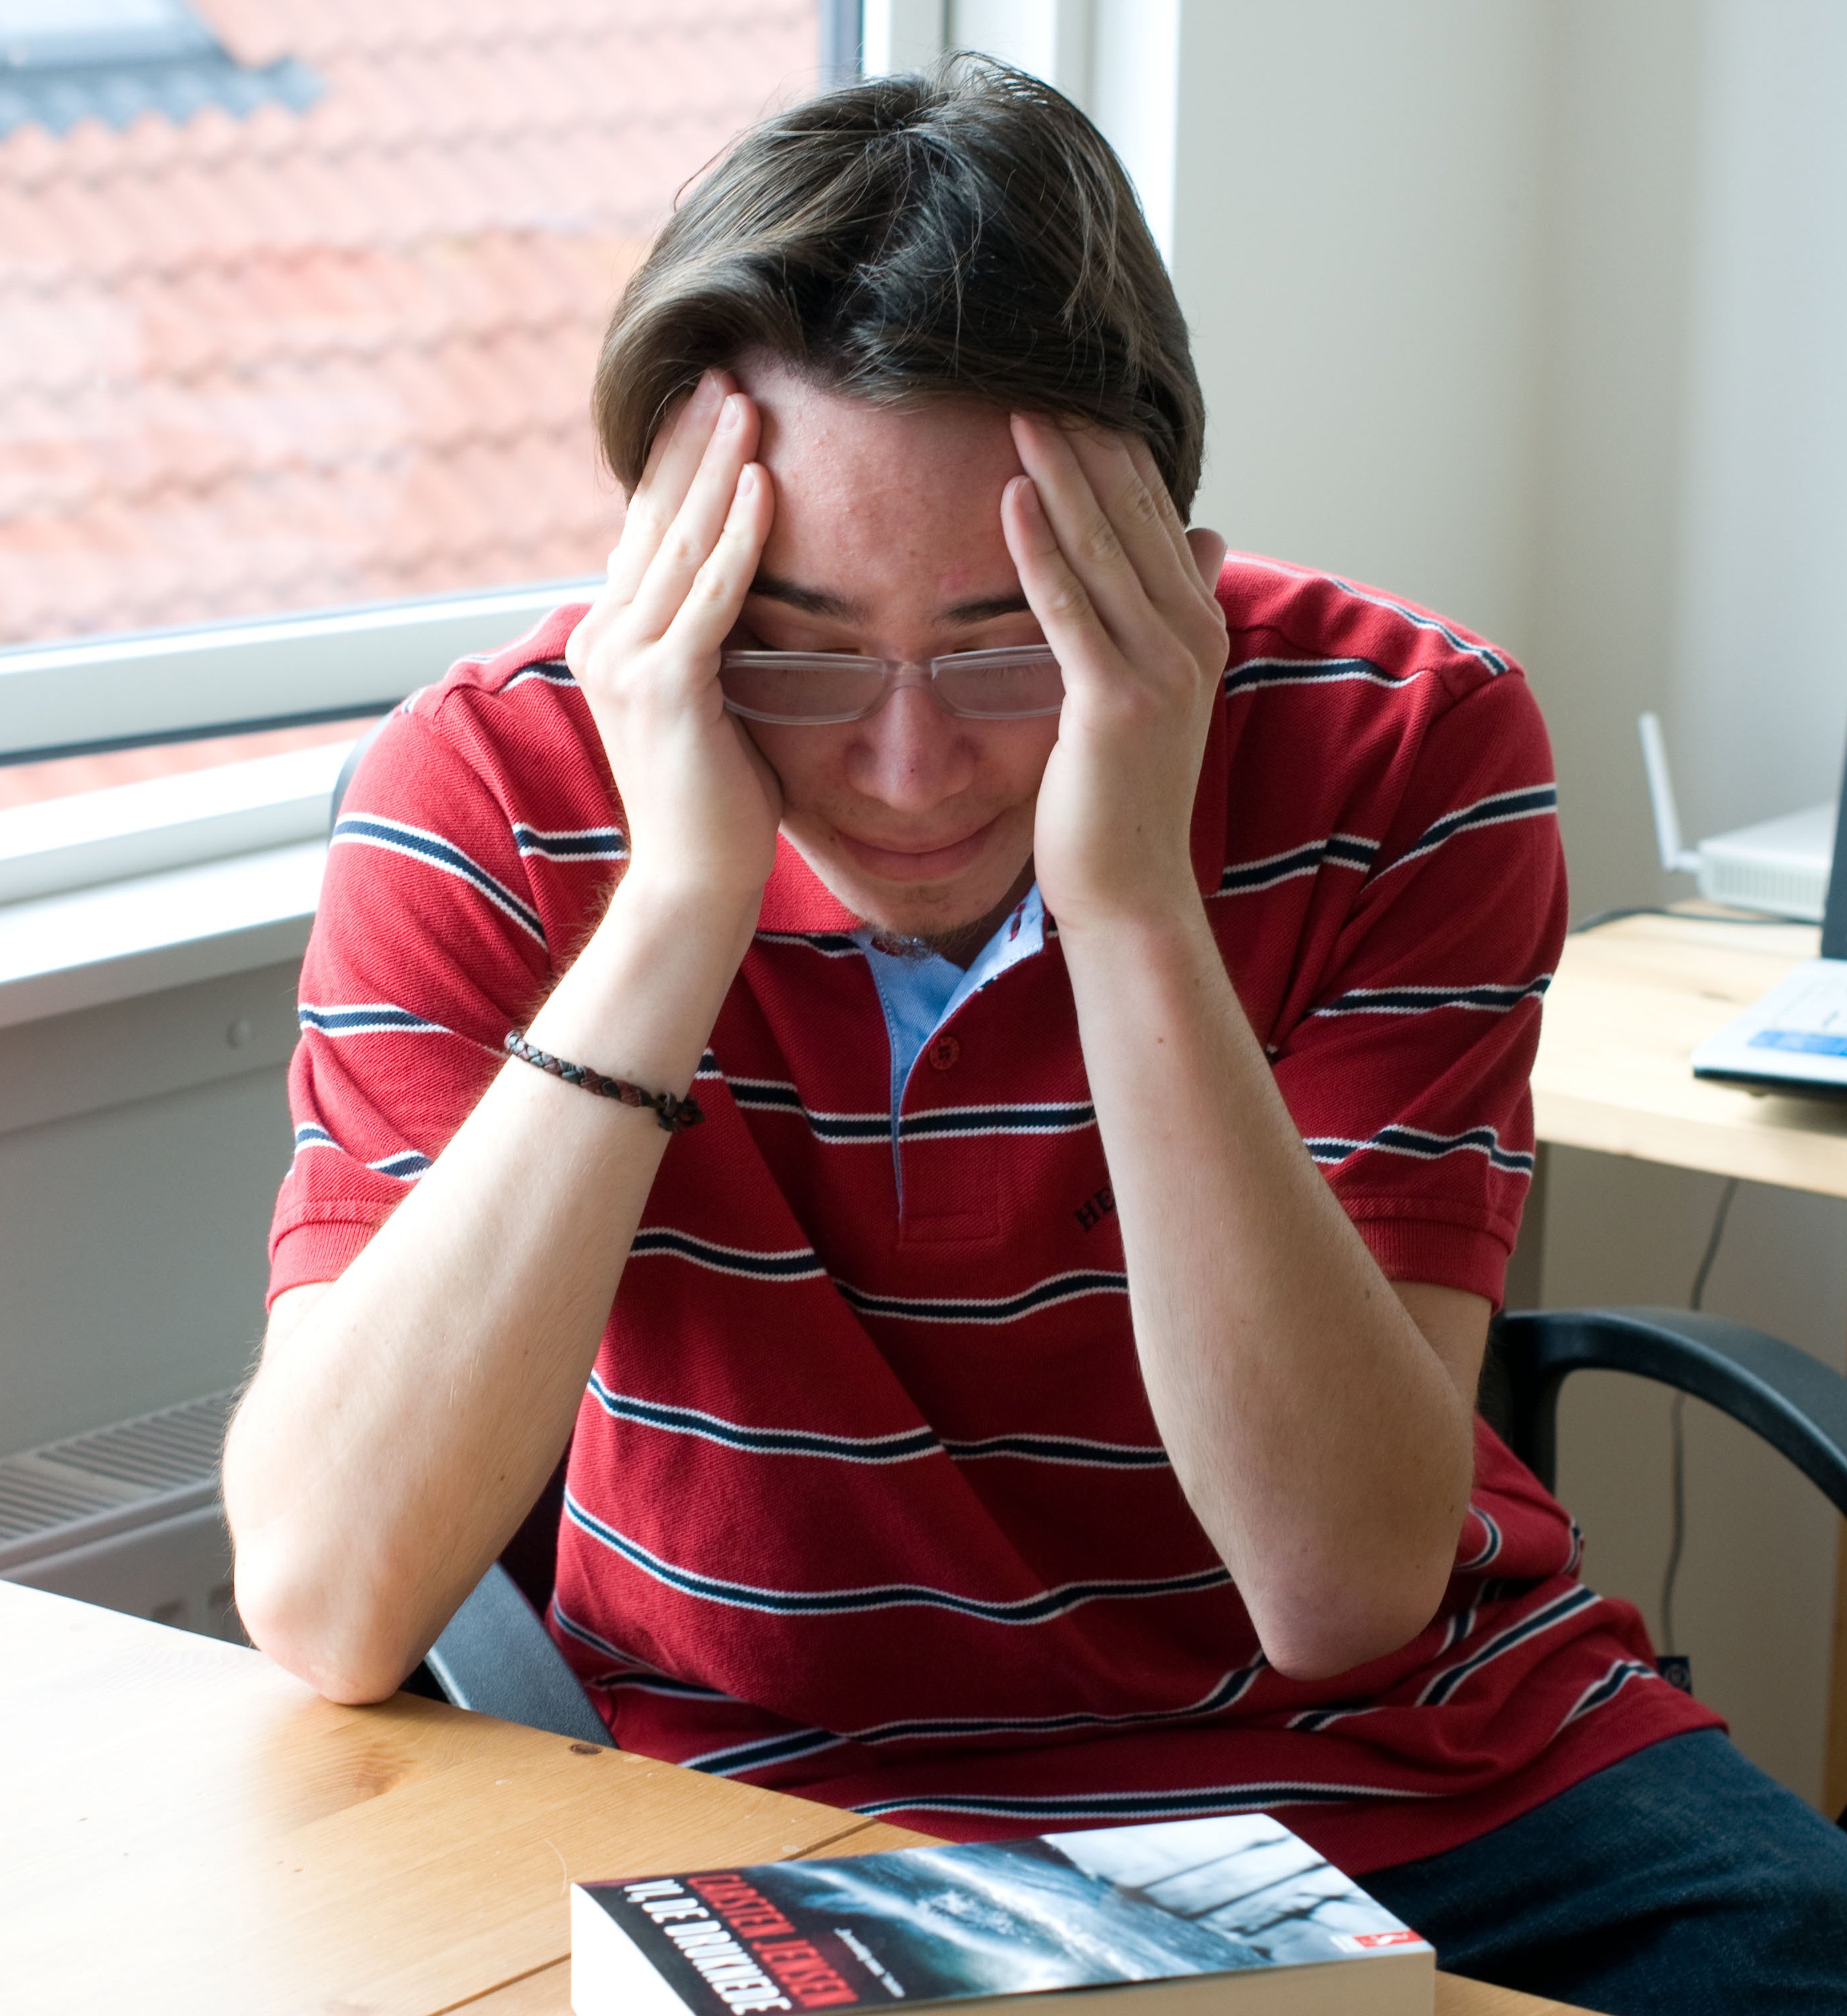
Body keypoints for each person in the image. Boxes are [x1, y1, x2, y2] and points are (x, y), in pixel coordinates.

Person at [223, 57, 1847, 2013]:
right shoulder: (488, 784)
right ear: (671, 575)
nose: (908, 769)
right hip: (775, 1793)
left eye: (1011, 642)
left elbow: (1342, 1596)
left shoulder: (1409, 741)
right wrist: (675, 907)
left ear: (1162, 547)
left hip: (1422, 1778)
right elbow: (327, 1602)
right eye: (795, 646)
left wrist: (1136, 905)